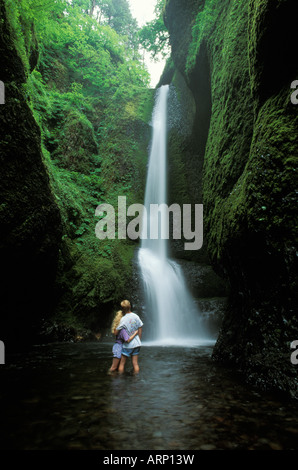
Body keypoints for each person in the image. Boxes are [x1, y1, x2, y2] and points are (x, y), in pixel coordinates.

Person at [116, 300, 143, 374]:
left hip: (128, 345)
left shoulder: (123, 319)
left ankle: (120, 380)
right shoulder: (136, 316)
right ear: (130, 306)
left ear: (122, 309)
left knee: (122, 364)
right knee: (135, 364)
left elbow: (117, 330)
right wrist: (139, 340)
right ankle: (136, 380)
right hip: (137, 344)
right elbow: (140, 327)